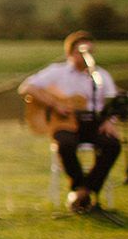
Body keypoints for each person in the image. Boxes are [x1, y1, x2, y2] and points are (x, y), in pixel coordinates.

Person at [19, 30, 122, 212]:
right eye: (80, 52)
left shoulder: (101, 75)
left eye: (89, 52)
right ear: (69, 53)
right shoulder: (57, 72)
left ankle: (83, 191)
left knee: (112, 144)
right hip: (65, 122)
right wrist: (54, 104)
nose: (85, 56)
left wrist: (110, 121)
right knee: (65, 144)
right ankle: (82, 190)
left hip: (93, 123)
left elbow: (113, 103)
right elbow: (26, 87)